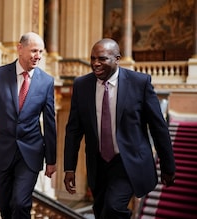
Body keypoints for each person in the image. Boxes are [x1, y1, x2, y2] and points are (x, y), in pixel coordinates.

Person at [63, 38, 176, 219]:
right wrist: (69, 168)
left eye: (102, 59)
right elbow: (73, 131)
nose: (95, 64)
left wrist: (168, 166)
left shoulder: (140, 83)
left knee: (114, 207)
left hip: (128, 161)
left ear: (117, 59)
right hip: (97, 163)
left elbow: (158, 127)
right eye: (92, 58)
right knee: (100, 212)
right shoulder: (82, 85)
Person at [0, 32, 57, 219]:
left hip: (30, 152)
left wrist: (52, 159)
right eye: (33, 51)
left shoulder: (47, 81)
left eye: (40, 51)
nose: (38, 55)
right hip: (2, 151)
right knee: (3, 202)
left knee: (21, 202)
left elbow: (49, 122)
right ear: (20, 48)